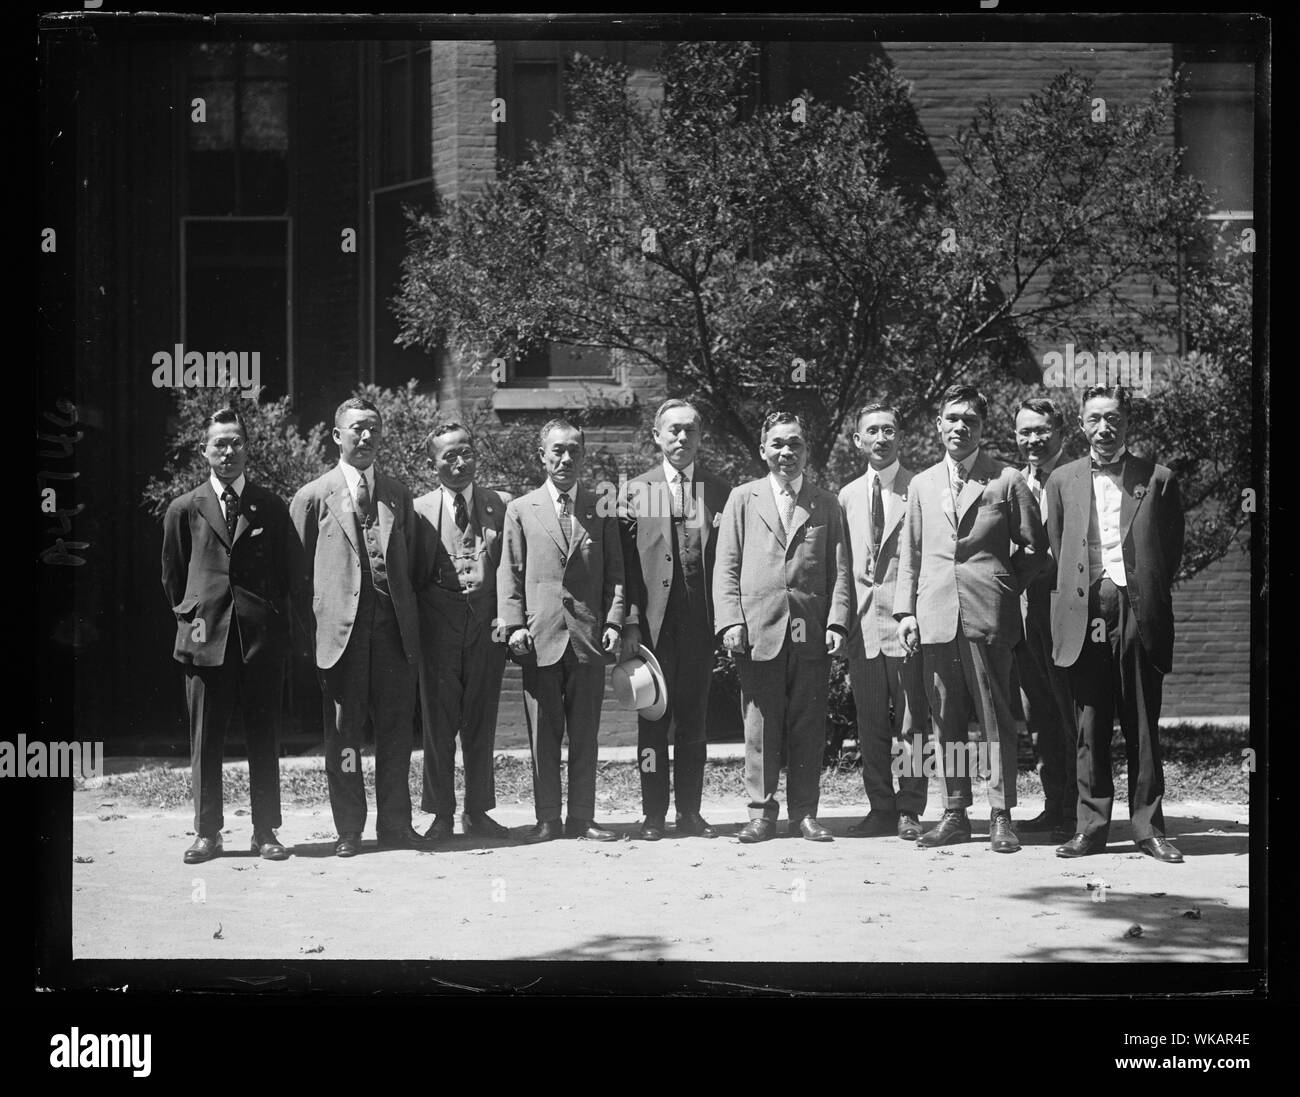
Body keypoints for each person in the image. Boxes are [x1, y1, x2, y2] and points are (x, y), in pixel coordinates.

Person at [894, 385, 1050, 852]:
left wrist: (1003, 586)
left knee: (996, 715)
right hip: (935, 613)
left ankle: (1001, 815)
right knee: (945, 718)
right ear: (938, 425)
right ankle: (956, 813)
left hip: (989, 614)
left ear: (983, 428)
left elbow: (1033, 548)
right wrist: (905, 611)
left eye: (971, 420)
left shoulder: (1004, 480)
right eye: (952, 418)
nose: (961, 427)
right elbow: (911, 554)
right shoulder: (921, 484)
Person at [1047, 386, 1186, 863]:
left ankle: (1148, 828)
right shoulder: (1061, 480)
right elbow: (1058, 546)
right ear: (1081, 424)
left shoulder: (1159, 478)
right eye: (1094, 419)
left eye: (1114, 419)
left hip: (1137, 607)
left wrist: (1139, 589)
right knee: (1090, 722)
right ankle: (1091, 828)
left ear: (1128, 423)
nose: (1104, 428)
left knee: (1142, 721)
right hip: (1086, 609)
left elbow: (1170, 551)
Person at [290, 397, 429, 856]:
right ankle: (349, 828)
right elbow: (296, 578)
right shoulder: (313, 497)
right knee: (345, 738)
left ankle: (396, 825)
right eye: (356, 429)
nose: (365, 437)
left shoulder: (397, 493)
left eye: (372, 428)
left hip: (393, 636)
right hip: (342, 639)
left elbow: (414, 566)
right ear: (337, 436)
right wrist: (310, 639)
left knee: (395, 735)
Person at [161, 407, 295, 864]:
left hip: (259, 641)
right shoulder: (185, 508)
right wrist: (194, 619)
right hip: (205, 639)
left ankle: (265, 831)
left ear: (247, 449)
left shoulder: (270, 506)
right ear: (205, 451)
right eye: (219, 443)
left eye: (236, 441)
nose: (228, 450)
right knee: (206, 740)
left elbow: (288, 571)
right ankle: (207, 832)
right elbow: (174, 578)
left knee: (264, 736)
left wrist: (273, 620)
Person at [713, 410, 851, 843]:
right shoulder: (743, 498)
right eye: (777, 444)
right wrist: (730, 620)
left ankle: (805, 814)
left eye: (795, 444)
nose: (786, 452)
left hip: (810, 631)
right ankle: (761, 812)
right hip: (759, 630)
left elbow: (840, 571)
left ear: (807, 451)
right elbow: (726, 567)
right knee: (760, 725)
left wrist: (838, 623)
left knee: (808, 725)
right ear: (763, 450)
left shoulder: (826, 502)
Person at [497, 418, 625, 843]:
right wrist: (513, 626)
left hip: (587, 637)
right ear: (542, 456)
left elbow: (616, 575)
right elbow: (509, 573)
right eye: (557, 450)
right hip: (541, 636)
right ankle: (548, 817)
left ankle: (582, 818)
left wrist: (613, 621)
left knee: (586, 734)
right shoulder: (521, 508)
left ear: (583, 455)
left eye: (574, 450)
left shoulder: (600, 507)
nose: (566, 458)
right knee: (543, 735)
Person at [618, 399, 732, 840]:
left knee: (693, 723)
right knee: (652, 721)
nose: (681, 438)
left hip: (699, 627)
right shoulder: (635, 491)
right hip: (651, 629)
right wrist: (628, 622)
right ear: (656, 436)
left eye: (690, 431)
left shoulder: (720, 491)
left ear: (700, 437)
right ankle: (653, 815)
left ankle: (690, 812)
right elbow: (623, 566)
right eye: (672, 431)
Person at [412, 422, 513, 841]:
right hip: (438, 633)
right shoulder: (417, 510)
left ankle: (478, 811)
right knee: (439, 726)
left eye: (466, 452)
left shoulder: (501, 504)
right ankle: (441, 814)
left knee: (480, 722)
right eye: (448, 456)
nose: (459, 462)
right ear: (432, 463)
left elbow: (512, 570)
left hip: (486, 632)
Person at [838, 403, 928, 841]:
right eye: (871, 431)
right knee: (870, 725)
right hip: (863, 628)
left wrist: (914, 612)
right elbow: (843, 569)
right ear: (858, 441)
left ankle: (911, 808)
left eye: (889, 430)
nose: (881, 438)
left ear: (900, 437)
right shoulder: (847, 496)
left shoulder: (921, 488)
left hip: (907, 625)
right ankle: (879, 807)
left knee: (912, 725)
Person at [1012, 397, 1078, 843]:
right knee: (1039, 714)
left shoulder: (1076, 478)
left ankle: (1083, 809)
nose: (1033, 439)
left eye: (1042, 431)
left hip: (1064, 611)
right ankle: (1055, 806)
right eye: (1025, 432)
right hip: (1022, 614)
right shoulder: (1012, 481)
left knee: (1071, 711)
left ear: (1061, 434)